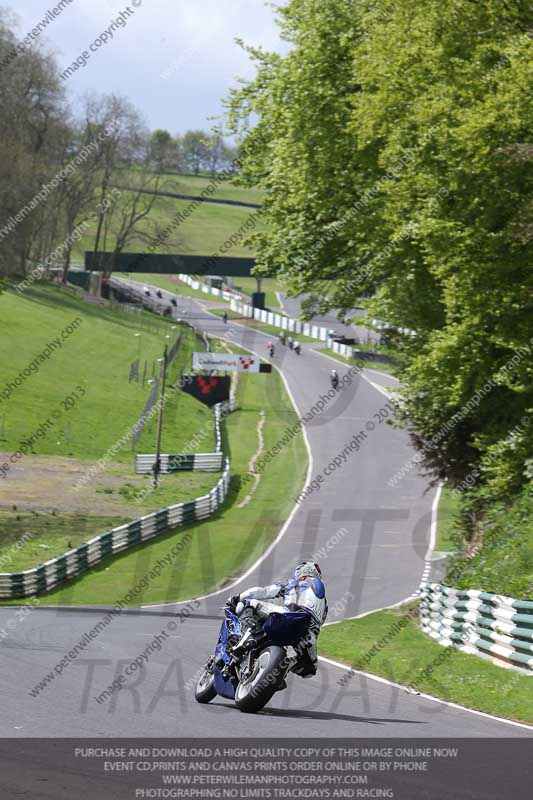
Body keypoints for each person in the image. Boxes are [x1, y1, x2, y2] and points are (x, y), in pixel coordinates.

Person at [227, 560, 327, 677]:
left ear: (303, 570)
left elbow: (264, 592)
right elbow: (319, 623)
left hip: (289, 616)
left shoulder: (297, 582)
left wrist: (238, 597)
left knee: (249, 603)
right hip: (308, 635)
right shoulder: (324, 603)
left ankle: (242, 644)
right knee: (310, 670)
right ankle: (283, 671)